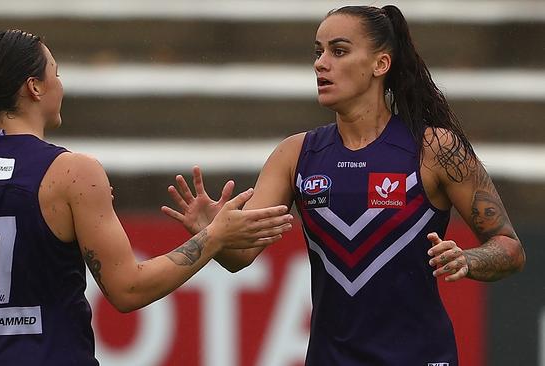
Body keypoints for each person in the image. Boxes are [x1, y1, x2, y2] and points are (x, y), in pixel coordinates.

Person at [162, 5, 525, 365]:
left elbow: (509, 248)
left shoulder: (435, 149)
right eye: (318, 52)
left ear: (380, 64)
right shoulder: (295, 154)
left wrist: (467, 259)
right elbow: (239, 258)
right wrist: (212, 234)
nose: (321, 63)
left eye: (339, 51)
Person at [0, 29, 294, 366]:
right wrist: (214, 237)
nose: (60, 84)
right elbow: (128, 289)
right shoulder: (71, 172)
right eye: (55, 73)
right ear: (34, 88)